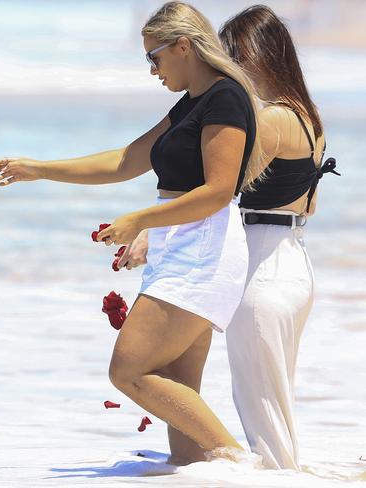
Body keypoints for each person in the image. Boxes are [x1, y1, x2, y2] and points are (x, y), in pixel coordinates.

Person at [0, 1, 262, 464]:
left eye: (154, 57)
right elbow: (125, 160)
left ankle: (245, 468)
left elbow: (218, 192)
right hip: (185, 247)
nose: (152, 70)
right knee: (178, 397)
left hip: (202, 251)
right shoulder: (194, 103)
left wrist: (140, 220)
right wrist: (39, 168)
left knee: (129, 370)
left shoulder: (225, 97)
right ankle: (205, 472)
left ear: (182, 46)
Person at [119, 4, 339, 470]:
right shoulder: (309, 117)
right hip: (292, 259)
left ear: (257, 56)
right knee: (272, 411)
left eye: (234, 56)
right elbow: (305, 200)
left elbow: (218, 187)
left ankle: (263, 477)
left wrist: (147, 227)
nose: (228, 69)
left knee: (262, 418)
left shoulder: (270, 120)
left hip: (262, 266)